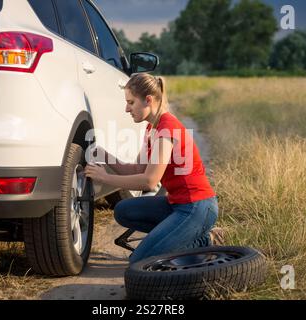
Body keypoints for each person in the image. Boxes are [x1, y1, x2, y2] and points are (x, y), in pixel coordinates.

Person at [84, 73, 219, 264]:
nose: (126, 109)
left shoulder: (167, 128)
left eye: (131, 103)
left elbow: (149, 180)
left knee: (139, 262)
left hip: (197, 207)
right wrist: (104, 155)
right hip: (176, 204)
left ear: (148, 100)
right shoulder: (152, 128)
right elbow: (138, 169)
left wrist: (105, 178)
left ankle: (203, 237)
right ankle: (190, 236)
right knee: (123, 210)